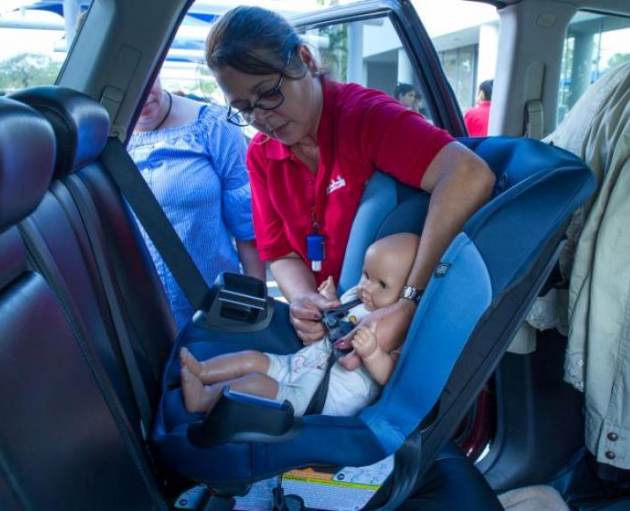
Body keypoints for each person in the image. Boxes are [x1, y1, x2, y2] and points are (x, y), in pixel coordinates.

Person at [205, 6, 494, 357]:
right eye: (244, 109)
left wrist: (409, 302)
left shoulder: (363, 118)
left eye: (268, 93)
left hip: (383, 327)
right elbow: (279, 251)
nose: (261, 118)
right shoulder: (262, 155)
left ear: (306, 60)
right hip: (332, 327)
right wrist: (303, 300)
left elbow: (468, 175)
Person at [180, 233, 419, 416]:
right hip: (301, 364)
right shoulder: (359, 297)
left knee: (259, 384)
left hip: (323, 397)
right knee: (252, 359)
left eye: (382, 284)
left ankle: (204, 398)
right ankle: (203, 370)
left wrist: (373, 352)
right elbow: (336, 317)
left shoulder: (399, 326)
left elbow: (389, 375)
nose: (367, 287)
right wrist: (330, 299)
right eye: (366, 275)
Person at [128, 75, 265, 329]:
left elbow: (247, 227)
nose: (144, 95)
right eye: (128, 86)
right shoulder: (95, 140)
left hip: (212, 311)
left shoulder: (212, 127)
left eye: (148, 81)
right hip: (138, 320)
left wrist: (253, 306)